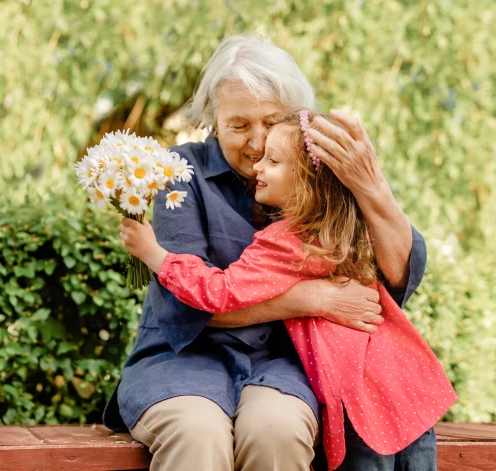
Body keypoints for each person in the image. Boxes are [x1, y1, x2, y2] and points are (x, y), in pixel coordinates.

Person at [103, 34, 427, 471]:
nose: (257, 144)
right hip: (183, 359)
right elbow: (189, 299)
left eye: (271, 123)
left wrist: (372, 189)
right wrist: (313, 298)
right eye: (239, 125)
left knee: (278, 431)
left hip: (285, 362)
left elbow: (393, 275)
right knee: (196, 432)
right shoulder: (179, 172)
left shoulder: (317, 172)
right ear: (212, 119)